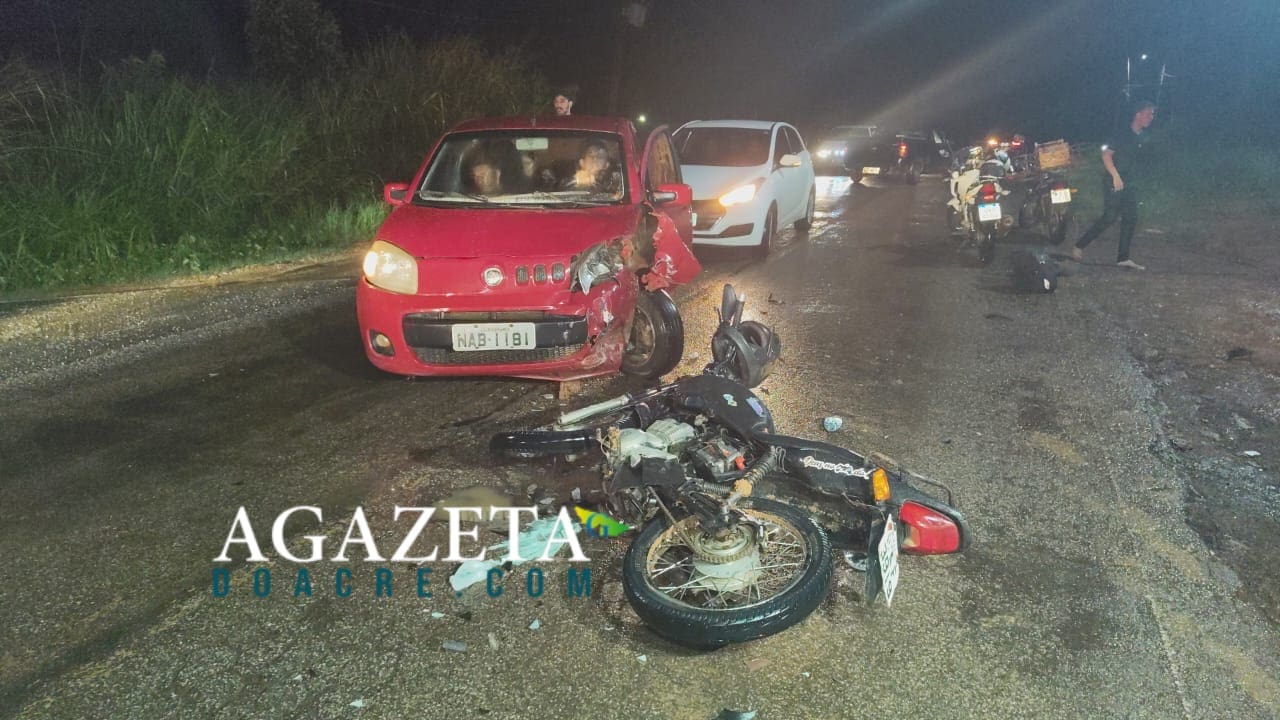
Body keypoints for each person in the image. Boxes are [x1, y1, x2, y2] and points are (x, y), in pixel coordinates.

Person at [1069, 100, 1157, 270]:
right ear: (1138, 114)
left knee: (1131, 217)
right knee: (1109, 217)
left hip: (1130, 182)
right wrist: (1115, 176)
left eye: (1152, 114)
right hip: (1114, 180)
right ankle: (1079, 246)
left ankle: (1123, 258)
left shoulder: (1142, 136)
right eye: (1148, 114)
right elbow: (1106, 155)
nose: (1151, 117)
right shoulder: (1122, 133)